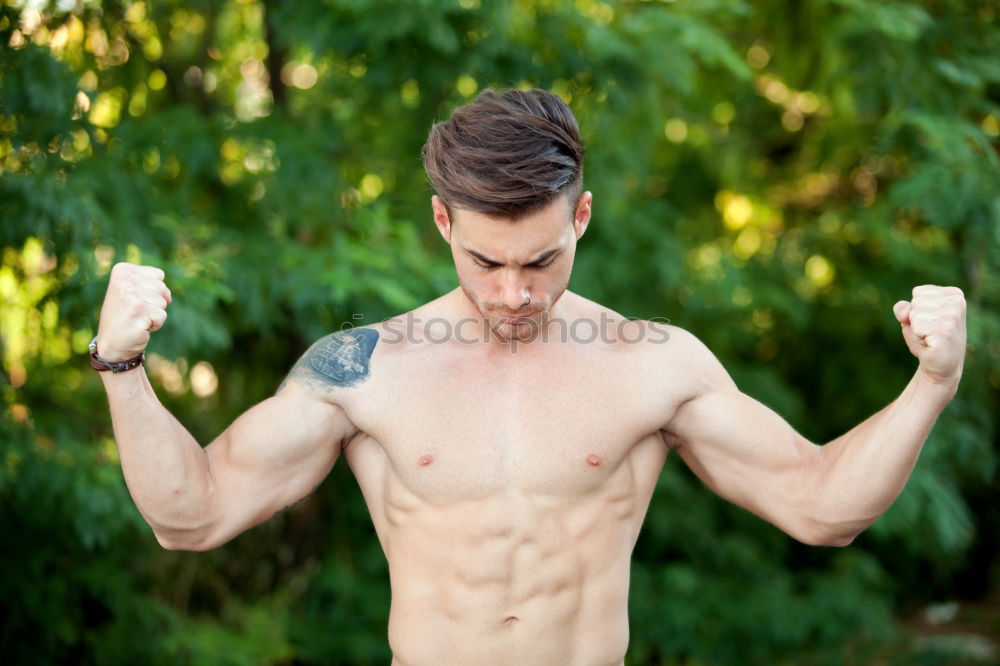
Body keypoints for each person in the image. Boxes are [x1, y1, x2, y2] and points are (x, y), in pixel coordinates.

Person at [92, 89, 967, 666]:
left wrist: (931, 383)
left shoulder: (651, 363)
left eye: (542, 259)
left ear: (582, 215)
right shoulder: (365, 370)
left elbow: (822, 508)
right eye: (487, 261)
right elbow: (191, 518)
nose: (514, 292)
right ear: (441, 219)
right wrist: (122, 366)